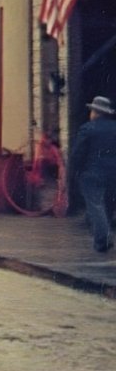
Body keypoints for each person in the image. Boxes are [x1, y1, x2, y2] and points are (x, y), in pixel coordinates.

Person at [68, 95, 116, 253]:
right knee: (108, 205)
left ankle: (103, 240)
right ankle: (103, 235)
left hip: (92, 173)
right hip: (113, 174)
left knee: (95, 205)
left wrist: (73, 172)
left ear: (95, 112)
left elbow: (78, 154)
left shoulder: (87, 128)